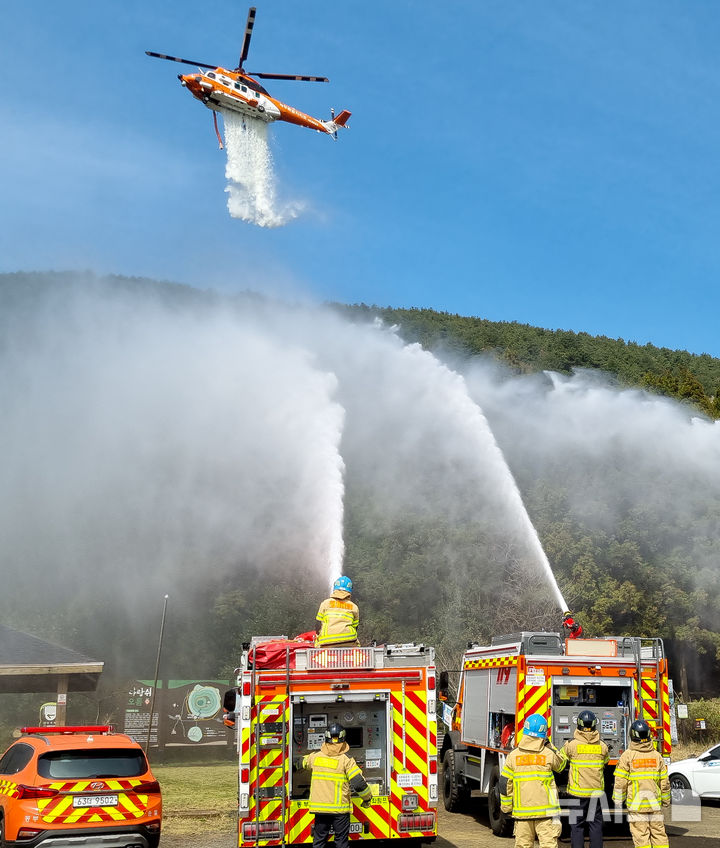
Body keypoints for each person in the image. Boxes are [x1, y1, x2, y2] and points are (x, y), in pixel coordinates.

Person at [500, 712, 567, 848]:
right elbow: (562, 765)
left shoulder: (513, 756)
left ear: (525, 731)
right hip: (546, 814)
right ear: (543, 735)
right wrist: (549, 745)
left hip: (522, 813)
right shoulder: (548, 754)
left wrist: (507, 808)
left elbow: (504, 784)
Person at [301, 723, 372, 848]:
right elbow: (359, 784)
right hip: (340, 811)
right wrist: (367, 799)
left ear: (326, 737)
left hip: (321, 810)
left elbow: (299, 763)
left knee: (318, 843)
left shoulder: (315, 757)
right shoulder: (346, 760)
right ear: (343, 738)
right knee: (341, 843)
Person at [612, 719, 670, 848]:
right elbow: (664, 781)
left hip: (636, 806)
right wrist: (666, 800)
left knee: (641, 836)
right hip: (655, 805)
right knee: (659, 834)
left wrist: (618, 799)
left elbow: (620, 782)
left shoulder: (627, 756)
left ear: (632, 736)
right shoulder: (657, 756)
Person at [562, 710, 610, 848]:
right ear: (595, 725)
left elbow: (560, 762)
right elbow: (606, 762)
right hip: (596, 794)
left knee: (577, 827)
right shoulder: (602, 746)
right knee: (596, 826)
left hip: (577, 794)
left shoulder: (570, 745)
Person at [315, 576, 360, 647]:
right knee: (357, 647)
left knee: (317, 645)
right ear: (349, 590)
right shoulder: (354, 607)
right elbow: (355, 627)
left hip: (326, 641)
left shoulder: (325, 603)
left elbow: (318, 626)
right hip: (349, 641)